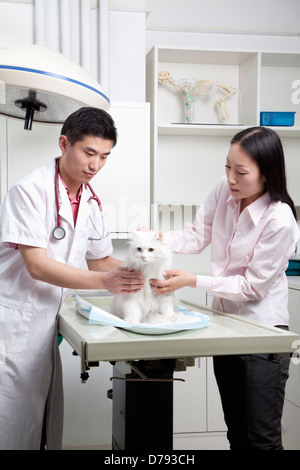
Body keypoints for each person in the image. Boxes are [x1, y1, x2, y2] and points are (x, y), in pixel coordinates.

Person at [0, 107, 145, 450]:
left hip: (49, 320)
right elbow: (37, 265)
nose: (95, 165)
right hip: (15, 321)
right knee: (13, 419)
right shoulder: (29, 192)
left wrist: (143, 267)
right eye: (89, 152)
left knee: (41, 414)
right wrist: (107, 282)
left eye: (104, 157)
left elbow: (100, 260)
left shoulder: (90, 201)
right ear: (64, 143)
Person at [151, 126, 300, 450]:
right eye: (227, 167)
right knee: (236, 434)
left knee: (261, 440)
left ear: (267, 172)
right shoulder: (225, 190)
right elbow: (197, 234)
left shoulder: (279, 220)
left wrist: (193, 280)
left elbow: (251, 287)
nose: (231, 178)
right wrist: (156, 239)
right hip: (227, 329)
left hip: (262, 335)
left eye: (241, 171)